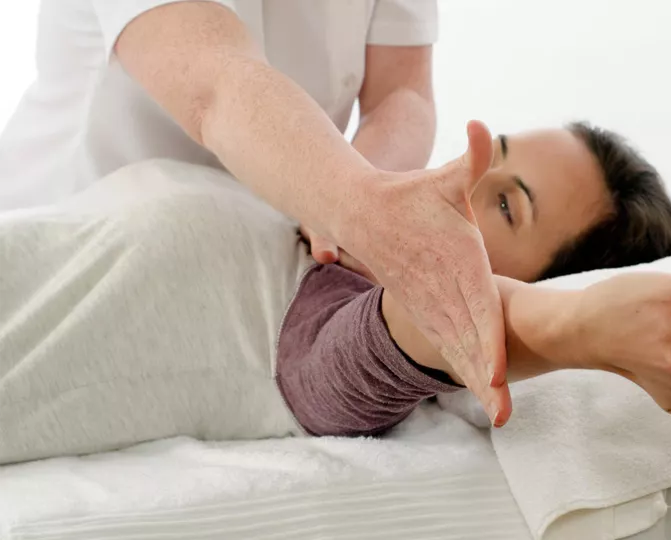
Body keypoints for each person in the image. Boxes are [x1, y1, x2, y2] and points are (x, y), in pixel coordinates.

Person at [0, 121, 671, 465]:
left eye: (506, 205)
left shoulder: (324, 331)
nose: (462, 177)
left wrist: (575, 325)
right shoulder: (315, 211)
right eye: (490, 154)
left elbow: (401, 338)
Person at [0, 0, 514, 428]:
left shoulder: (316, 300)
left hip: (254, 254)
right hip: (73, 243)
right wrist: (358, 204)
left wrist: (362, 195)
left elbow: (402, 93)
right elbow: (213, 83)